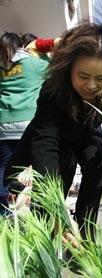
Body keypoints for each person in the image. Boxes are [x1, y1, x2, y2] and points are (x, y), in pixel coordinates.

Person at [4, 11, 102, 238]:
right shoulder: (53, 91)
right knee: (56, 179)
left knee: (96, 166)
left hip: (87, 134)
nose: (91, 86)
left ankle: (86, 231)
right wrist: (57, 207)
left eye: (100, 79)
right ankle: (44, 235)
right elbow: (45, 143)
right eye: (83, 76)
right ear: (68, 68)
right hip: (54, 139)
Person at [0, 32, 49, 215]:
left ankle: (3, 215)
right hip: (27, 127)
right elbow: (56, 70)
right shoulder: (35, 64)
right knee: (38, 170)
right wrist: (41, 51)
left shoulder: (2, 66)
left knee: (4, 169)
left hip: (3, 126)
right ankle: (39, 216)